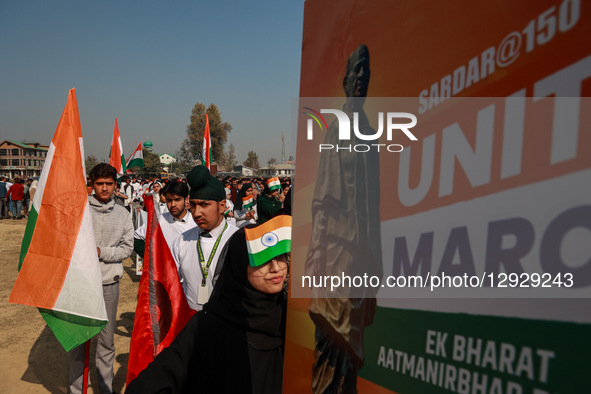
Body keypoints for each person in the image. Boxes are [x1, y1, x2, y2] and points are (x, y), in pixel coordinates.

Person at [126, 215, 291, 394]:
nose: (276, 268)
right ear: (240, 264)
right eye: (263, 260)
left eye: (280, 257)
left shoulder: (293, 317)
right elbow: (149, 385)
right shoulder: (208, 325)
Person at [306, 44, 382, 393]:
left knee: (351, 352)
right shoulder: (337, 130)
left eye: (366, 75)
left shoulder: (371, 132)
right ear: (345, 80)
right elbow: (323, 198)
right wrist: (318, 251)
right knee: (332, 341)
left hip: (362, 256)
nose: (361, 81)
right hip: (336, 251)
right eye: (356, 74)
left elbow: (374, 202)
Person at [69, 163, 133, 394]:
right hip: (80, 284)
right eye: (99, 183)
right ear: (92, 185)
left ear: (116, 185)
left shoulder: (124, 214)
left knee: (106, 342)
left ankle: (105, 390)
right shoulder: (80, 210)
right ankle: (76, 390)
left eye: (109, 183)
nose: (104, 188)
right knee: (78, 342)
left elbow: (127, 249)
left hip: (109, 285)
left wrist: (101, 252)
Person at [171, 165, 238, 311]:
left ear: (222, 206)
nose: (196, 213)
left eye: (204, 205)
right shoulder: (182, 241)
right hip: (191, 323)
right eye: (193, 205)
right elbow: (171, 284)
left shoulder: (238, 240)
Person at [134, 180, 196, 258]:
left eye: (177, 200)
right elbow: (137, 238)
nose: (173, 204)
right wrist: (153, 259)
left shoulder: (196, 222)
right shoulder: (159, 220)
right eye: (169, 200)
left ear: (186, 199)